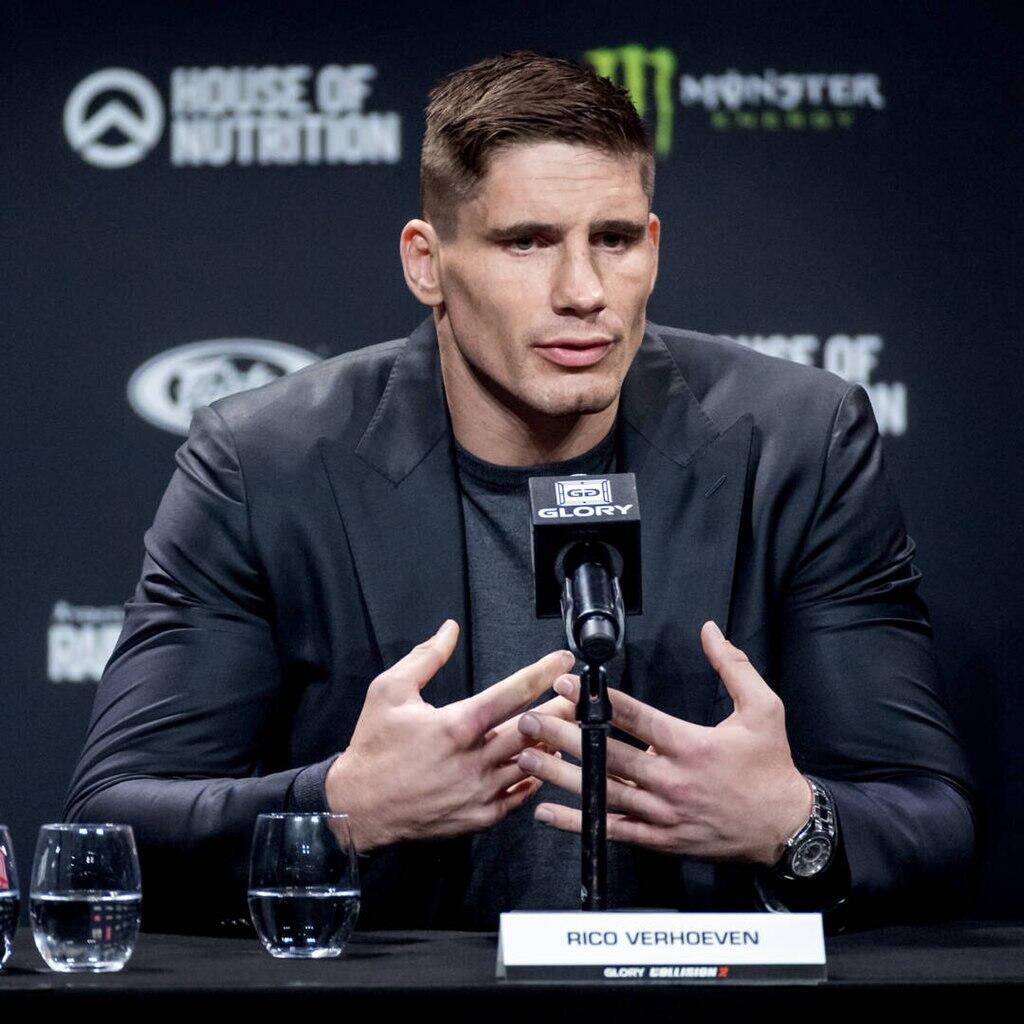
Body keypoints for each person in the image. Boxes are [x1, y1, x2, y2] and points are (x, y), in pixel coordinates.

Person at [63, 51, 975, 935]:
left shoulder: (802, 443)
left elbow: (930, 821)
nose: (583, 292)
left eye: (613, 240)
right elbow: (119, 819)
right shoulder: (263, 463)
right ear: (427, 263)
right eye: (527, 241)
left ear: (652, 248)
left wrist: (795, 825)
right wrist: (340, 807)